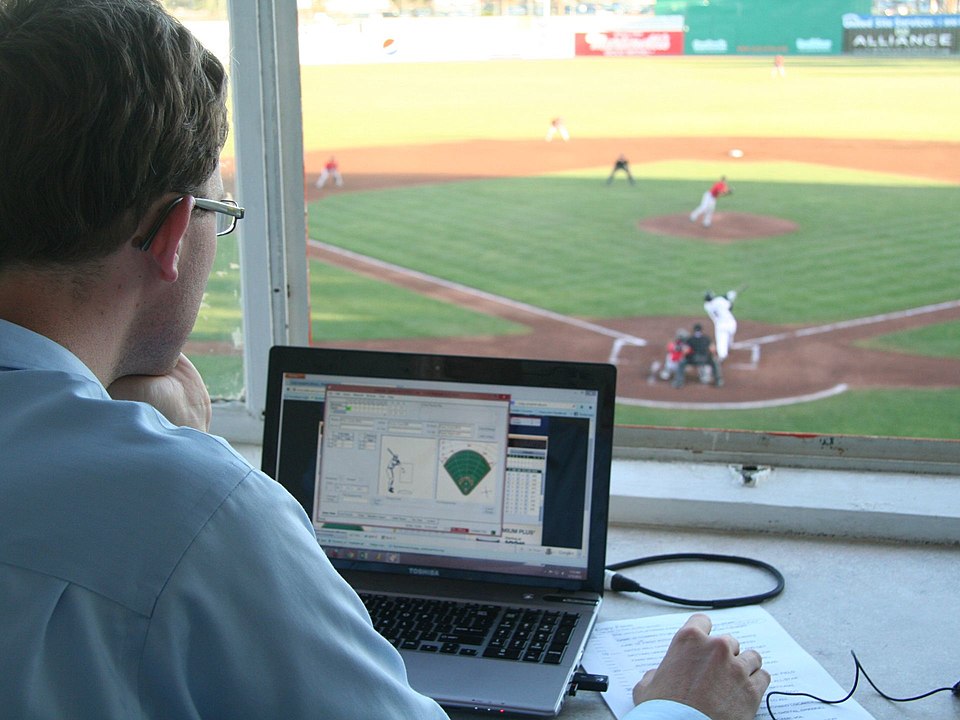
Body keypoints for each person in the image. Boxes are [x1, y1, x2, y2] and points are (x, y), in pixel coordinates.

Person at [0, 2, 765, 718]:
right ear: (172, 234)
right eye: (216, 215)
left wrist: (122, 421)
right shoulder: (202, 523)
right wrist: (679, 708)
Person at [673, 324, 723, 388]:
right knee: (715, 362)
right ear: (701, 330)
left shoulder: (690, 338)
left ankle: (679, 382)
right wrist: (713, 357)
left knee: (681, 363)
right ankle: (718, 381)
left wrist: (683, 357)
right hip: (705, 359)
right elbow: (712, 349)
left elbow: (686, 350)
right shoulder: (706, 338)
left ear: (694, 330)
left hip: (693, 359)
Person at [704, 290, 738, 363]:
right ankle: (729, 346)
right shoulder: (720, 300)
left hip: (721, 326)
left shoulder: (706, 306)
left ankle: (722, 356)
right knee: (729, 337)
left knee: (721, 341)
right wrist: (730, 297)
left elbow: (721, 299)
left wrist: (727, 296)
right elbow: (730, 307)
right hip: (731, 323)